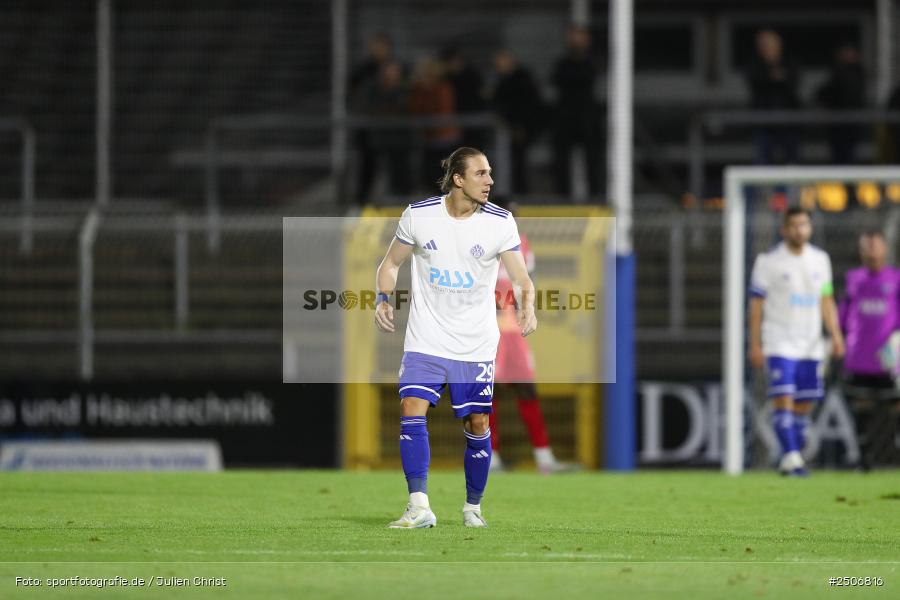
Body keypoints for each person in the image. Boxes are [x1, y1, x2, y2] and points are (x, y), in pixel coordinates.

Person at [375, 147, 536, 528]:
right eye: (481, 173)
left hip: (475, 343)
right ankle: (419, 506)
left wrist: (527, 305)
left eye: (490, 173)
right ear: (458, 179)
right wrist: (383, 298)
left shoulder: (500, 221)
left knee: (477, 424)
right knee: (411, 408)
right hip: (425, 339)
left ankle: (472, 508)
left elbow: (520, 277)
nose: (490, 181)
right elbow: (390, 263)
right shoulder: (419, 215)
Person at [748, 208, 845, 476]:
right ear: (784, 229)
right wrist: (754, 344)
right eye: (793, 225)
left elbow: (826, 300)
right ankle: (793, 457)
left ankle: (789, 456)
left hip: (811, 345)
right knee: (783, 399)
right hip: (779, 342)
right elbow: (756, 307)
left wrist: (835, 335)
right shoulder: (768, 261)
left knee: (803, 406)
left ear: (809, 228)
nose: (799, 230)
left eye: (803, 225)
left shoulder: (820, 260)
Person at [489, 200, 573, 474]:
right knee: (490, 393)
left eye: (515, 215)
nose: (512, 220)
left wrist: (527, 310)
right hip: (488, 330)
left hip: (514, 332)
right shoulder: (481, 245)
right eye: (507, 214)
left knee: (526, 388)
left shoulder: (522, 244)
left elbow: (528, 283)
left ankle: (544, 458)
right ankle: (490, 457)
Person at [839, 231, 900, 470]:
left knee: (896, 405)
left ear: (884, 249)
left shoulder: (895, 279)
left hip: (890, 358)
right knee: (860, 407)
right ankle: (864, 459)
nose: (872, 251)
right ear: (861, 251)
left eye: (876, 246)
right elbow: (844, 313)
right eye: (867, 247)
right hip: (860, 357)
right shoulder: (853, 279)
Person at [550, 25, 602, 199]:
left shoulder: (592, 62)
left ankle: (596, 194)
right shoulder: (563, 63)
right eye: (572, 37)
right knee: (561, 158)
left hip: (587, 116)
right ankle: (562, 195)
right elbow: (557, 80)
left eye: (579, 37)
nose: (575, 41)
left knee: (593, 158)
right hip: (566, 115)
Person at [349, 33, 397, 205]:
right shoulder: (364, 70)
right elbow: (356, 93)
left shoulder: (394, 67)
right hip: (368, 127)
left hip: (389, 127)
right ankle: (363, 199)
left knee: (393, 164)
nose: (378, 50)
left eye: (381, 46)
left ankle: (391, 198)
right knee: (367, 164)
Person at [353, 60, 412, 199]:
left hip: (397, 138)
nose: (391, 75)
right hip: (373, 138)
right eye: (388, 71)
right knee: (368, 170)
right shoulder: (371, 88)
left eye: (395, 71)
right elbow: (365, 108)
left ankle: (401, 199)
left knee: (400, 171)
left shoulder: (404, 89)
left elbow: (406, 109)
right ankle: (362, 199)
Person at [489, 50, 545, 195]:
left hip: (521, 128)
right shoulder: (504, 80)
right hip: (510, 128)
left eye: (501, 62)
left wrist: (520, 127)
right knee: (512, 163)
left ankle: (521, 193)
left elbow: (526, 105)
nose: (498, 66)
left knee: (519, 162)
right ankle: (515, 192)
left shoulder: (521, 80)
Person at [745, 29, 801, 165]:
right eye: (763, 44)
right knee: (763, 163)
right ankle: (764, 187)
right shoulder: (755, 65)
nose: (767, 47)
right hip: (764, 123)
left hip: (788, 122)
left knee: (791, 163)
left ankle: (790, 187)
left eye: (770, 44)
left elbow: (793, 83)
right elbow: (756, 83)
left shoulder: (789, 62)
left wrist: (776, 78)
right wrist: (773, 77)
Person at [409, 57, 461, 191]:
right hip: (427, 138)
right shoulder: (418, 89)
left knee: (444, 175)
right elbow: (414, 109)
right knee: (429, 176)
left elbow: (442, 111)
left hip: (444, 138)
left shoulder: (443, 88)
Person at [816, 42, 865, 164]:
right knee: (838, 157)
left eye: (849, 53)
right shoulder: (835, 72)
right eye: (844, 53)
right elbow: (825, 93)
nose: (847, 56)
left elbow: (850, 95)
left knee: (849, 156)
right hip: (837, 123)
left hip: (851, 122)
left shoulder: (858, 72)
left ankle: (848, 182)